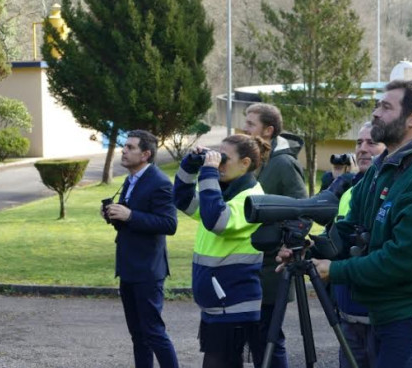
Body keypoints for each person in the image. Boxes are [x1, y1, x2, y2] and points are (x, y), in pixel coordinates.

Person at [284, 80, 412, 368]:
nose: (376, 112)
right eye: (378, 105)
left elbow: (405, 260)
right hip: (382, 311)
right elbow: (350, 227)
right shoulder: (382, 167)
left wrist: (336, 271)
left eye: (386, 107)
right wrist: (308, 251)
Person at [173, 134, 271, 368]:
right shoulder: (226, 193)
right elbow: (182, 200)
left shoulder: (252, 199)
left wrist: (208, 173)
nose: (218, 163)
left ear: (245, 163)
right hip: (218, 302)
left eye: (223, 158)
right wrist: (190, 165)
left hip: (234, 304)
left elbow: (218, 221)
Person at [102, 130, 179, 368]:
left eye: (130, 147)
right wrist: (113, 215)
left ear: (145, 154)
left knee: (153, 332)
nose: (123, 151)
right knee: (138, 335)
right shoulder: (131, 179)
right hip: (128, 267)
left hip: (148, 270)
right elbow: (129, 221)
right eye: (124, 146)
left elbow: (169, 224)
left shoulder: (160, 183)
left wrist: (130, 215)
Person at [242, 102, 306, 368]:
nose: (244, 128)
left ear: (268, 130)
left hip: (272, 268)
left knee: (269, 339)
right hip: (250, 266)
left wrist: (286, 246)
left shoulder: (284, 164)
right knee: (255, 339)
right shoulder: (256, 162)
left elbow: (302, 211)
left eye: (250, 124)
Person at [330, 122, 386, 368]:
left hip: (379, 315)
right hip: (347, 311)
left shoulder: (390, 188)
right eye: (358, 142)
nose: (362, 149)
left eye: (371, 143)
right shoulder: (350, 191)